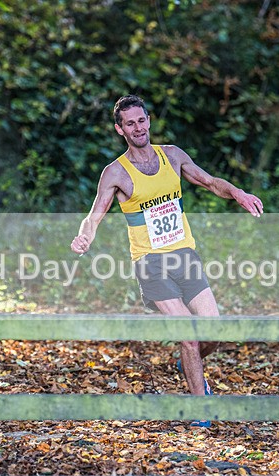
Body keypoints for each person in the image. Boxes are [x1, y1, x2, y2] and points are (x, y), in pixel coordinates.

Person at [70, 95, 263, 424]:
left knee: (213, 331)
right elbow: (95, 213)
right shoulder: (115, 172)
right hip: (150, 264)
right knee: (188, 335)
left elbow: (209, 181)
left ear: (149, 120)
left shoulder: (172, 155)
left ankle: (188, 364)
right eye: (130, 123)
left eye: (142, 120)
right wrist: (85, 234)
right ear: (120, 129)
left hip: (184, 256)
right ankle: (201, 409)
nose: (138, 127)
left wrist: (238, 193)